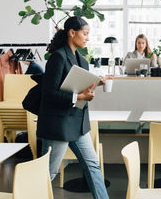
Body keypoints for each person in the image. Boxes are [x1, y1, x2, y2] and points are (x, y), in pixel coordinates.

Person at [36, 16, 109, 199]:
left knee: (92, 166)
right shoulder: (58, 57)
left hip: (77, 123)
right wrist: (79, 96)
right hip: (58, 126)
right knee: (48, 173)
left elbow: (78, 86)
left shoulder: (82, 61)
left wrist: (95, 85)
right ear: (72, 33)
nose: (87, 38)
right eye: (85, 34)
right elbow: (49, 94)